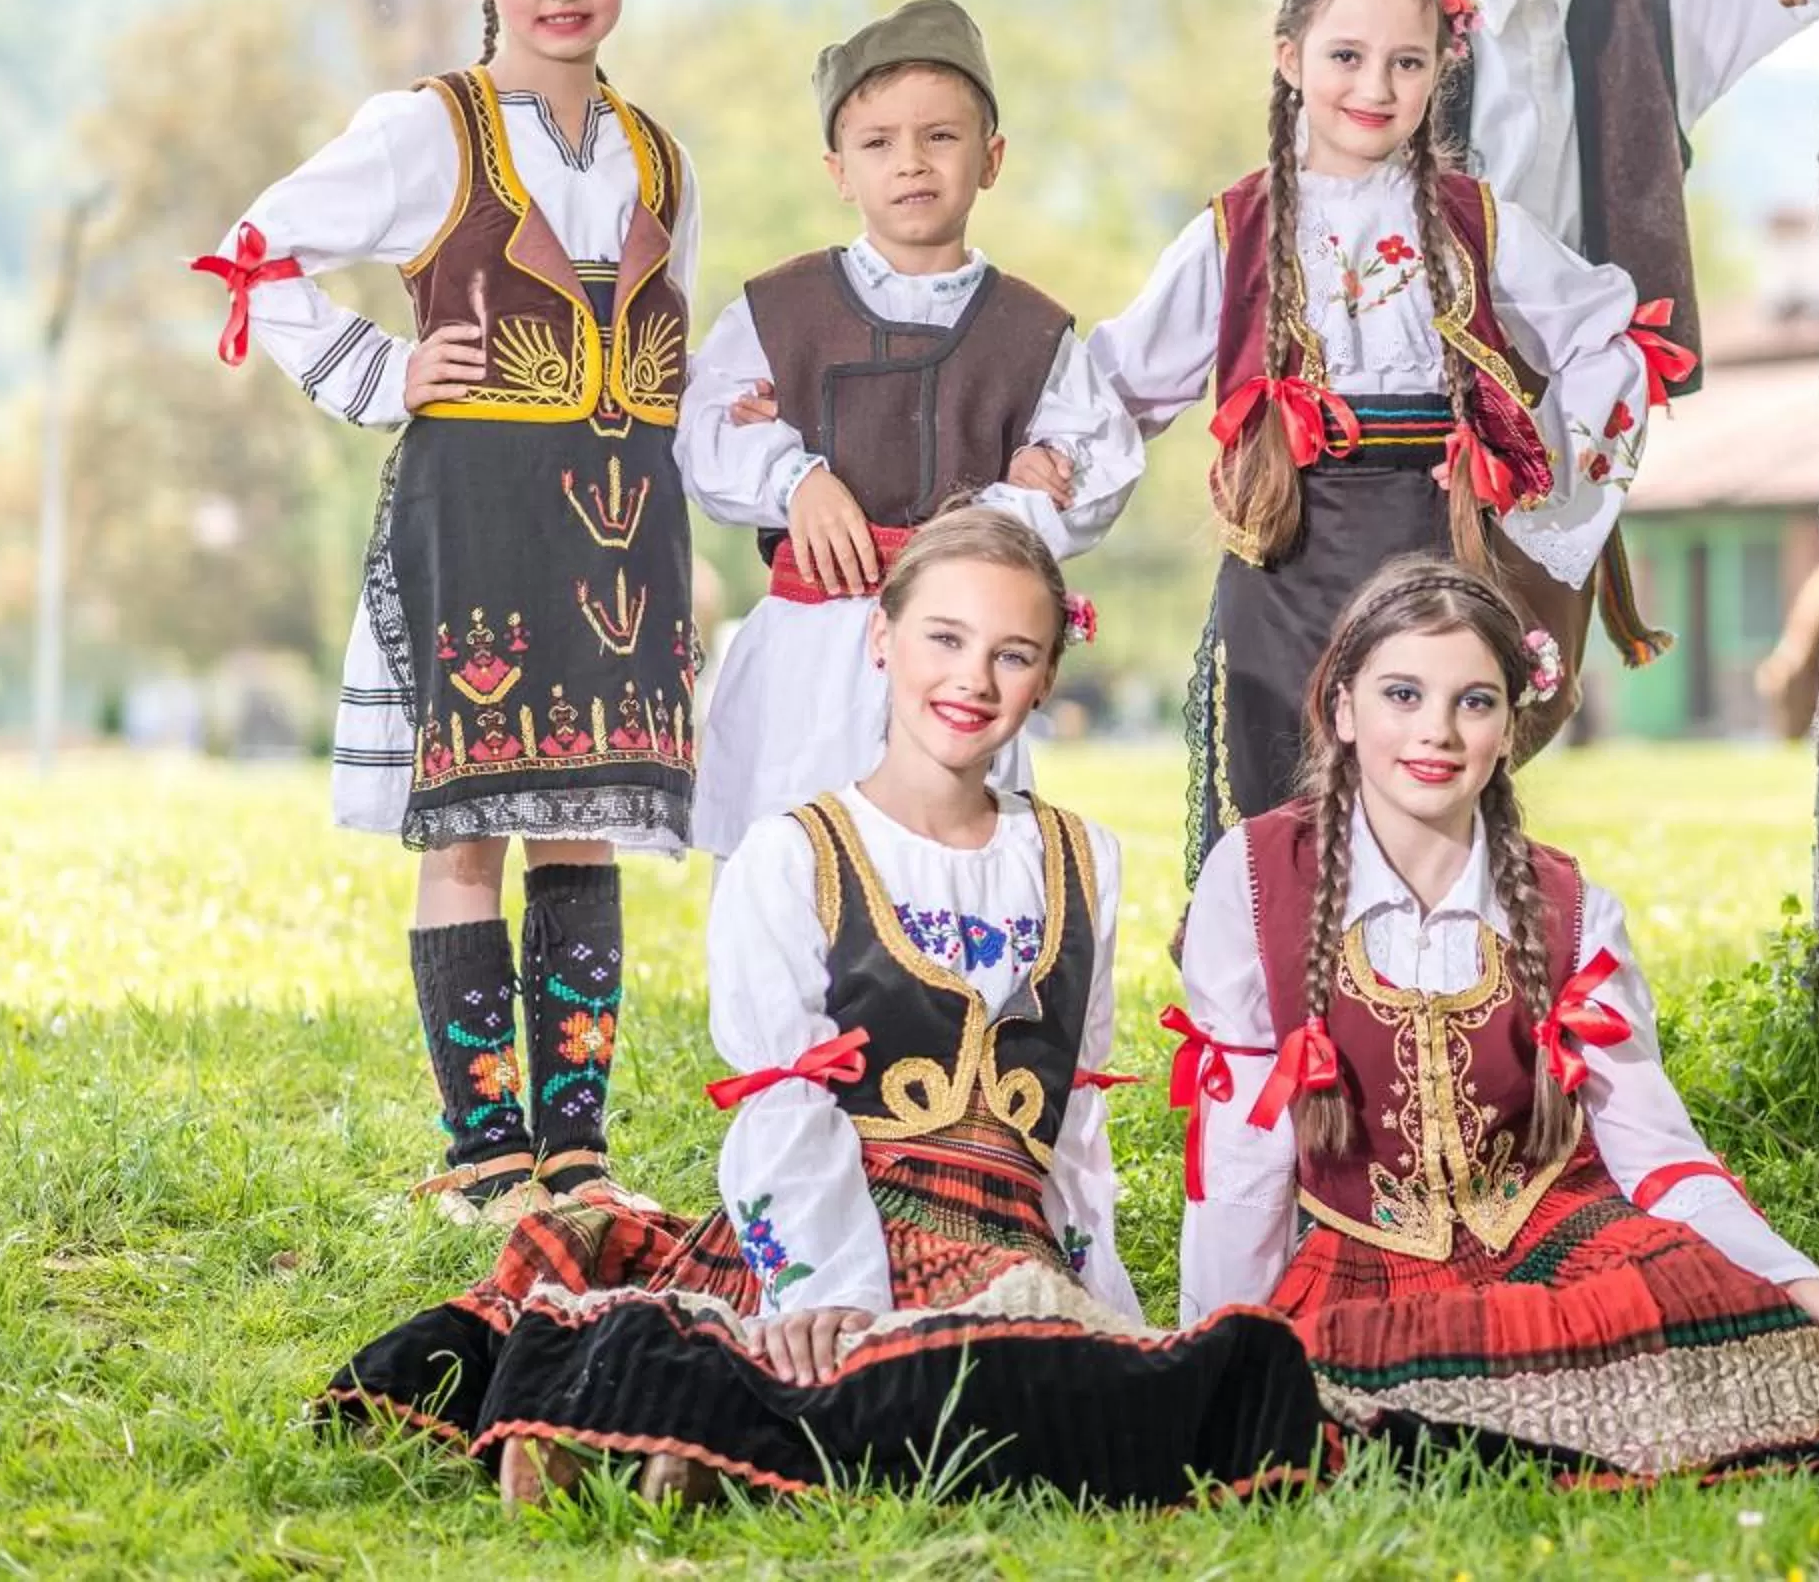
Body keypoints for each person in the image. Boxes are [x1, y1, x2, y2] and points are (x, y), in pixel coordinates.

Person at [321, 511, 1325, 1506]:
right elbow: (785, 1104)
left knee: (1046, 1371)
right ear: (881, 638)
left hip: (1003, 1234)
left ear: (1049, 673)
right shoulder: (797, 852)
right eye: (945, 638)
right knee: (868, 1356)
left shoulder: (1080, 859)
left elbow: (1074, 1117)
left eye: (1012, 654)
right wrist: (831, 1290)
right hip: (840, 1219)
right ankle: (669, 1425)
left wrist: (1096, 1290)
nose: (973, 679)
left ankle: (712, 1441)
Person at [1164, 557, 1819, 1477]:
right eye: (1402, 695)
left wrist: (1802, 1287)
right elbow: (1242, 1155)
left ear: (1510, 727)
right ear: (1341, 708)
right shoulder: (1257, 880)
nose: (1437, 732)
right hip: (1370, 1264)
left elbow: (1655, 1149)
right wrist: (1208, 1347)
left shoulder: (1567, 907)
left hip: (1558, 1236)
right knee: (1334, 1382)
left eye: (1474, 700)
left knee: (1693, 1299)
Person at [192, 0, 700, 1220]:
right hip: (471, 511)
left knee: (584, 821)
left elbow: (678, 342)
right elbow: (255, 252)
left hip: (619, 531)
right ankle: (488, 1155)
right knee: (471, 828)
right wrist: (380, 371)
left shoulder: (660, 156)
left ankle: (577, 1154)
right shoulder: (427, 129)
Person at [1085, 0, 1654, 884]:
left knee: (1425, 797)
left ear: (1441, 69)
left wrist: (1539, 485)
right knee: (1280, 809)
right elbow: (1117, 383)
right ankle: (1278, 976)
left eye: (1407, 62)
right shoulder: (1235, 230)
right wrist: (1044, 481)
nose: (1375, 87)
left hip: (1433, 548)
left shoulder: (1476, 221)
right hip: (1284, 562)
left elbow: (1607, 335)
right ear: (1290, 58)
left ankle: (1428, 972)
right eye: (1346, 56)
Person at [1434, 0, 1819, 732]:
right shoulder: (1408, 8)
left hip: (1568, 417)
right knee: (1391, 678)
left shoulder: (1658, 7)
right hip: (1412, 404)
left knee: (1525, 693)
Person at [677, 0, 1142, 851]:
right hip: (811, 649)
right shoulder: (780, 311)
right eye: (878, 143)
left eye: (941, 136)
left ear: (990, 158)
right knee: (791, 849)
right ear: (839, 170)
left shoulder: (1030, 332)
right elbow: (706, 436)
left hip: (960, 658)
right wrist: (794, 479)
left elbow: (1099, 465)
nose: (911, 163)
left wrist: (1001, 514)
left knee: (944, 849)